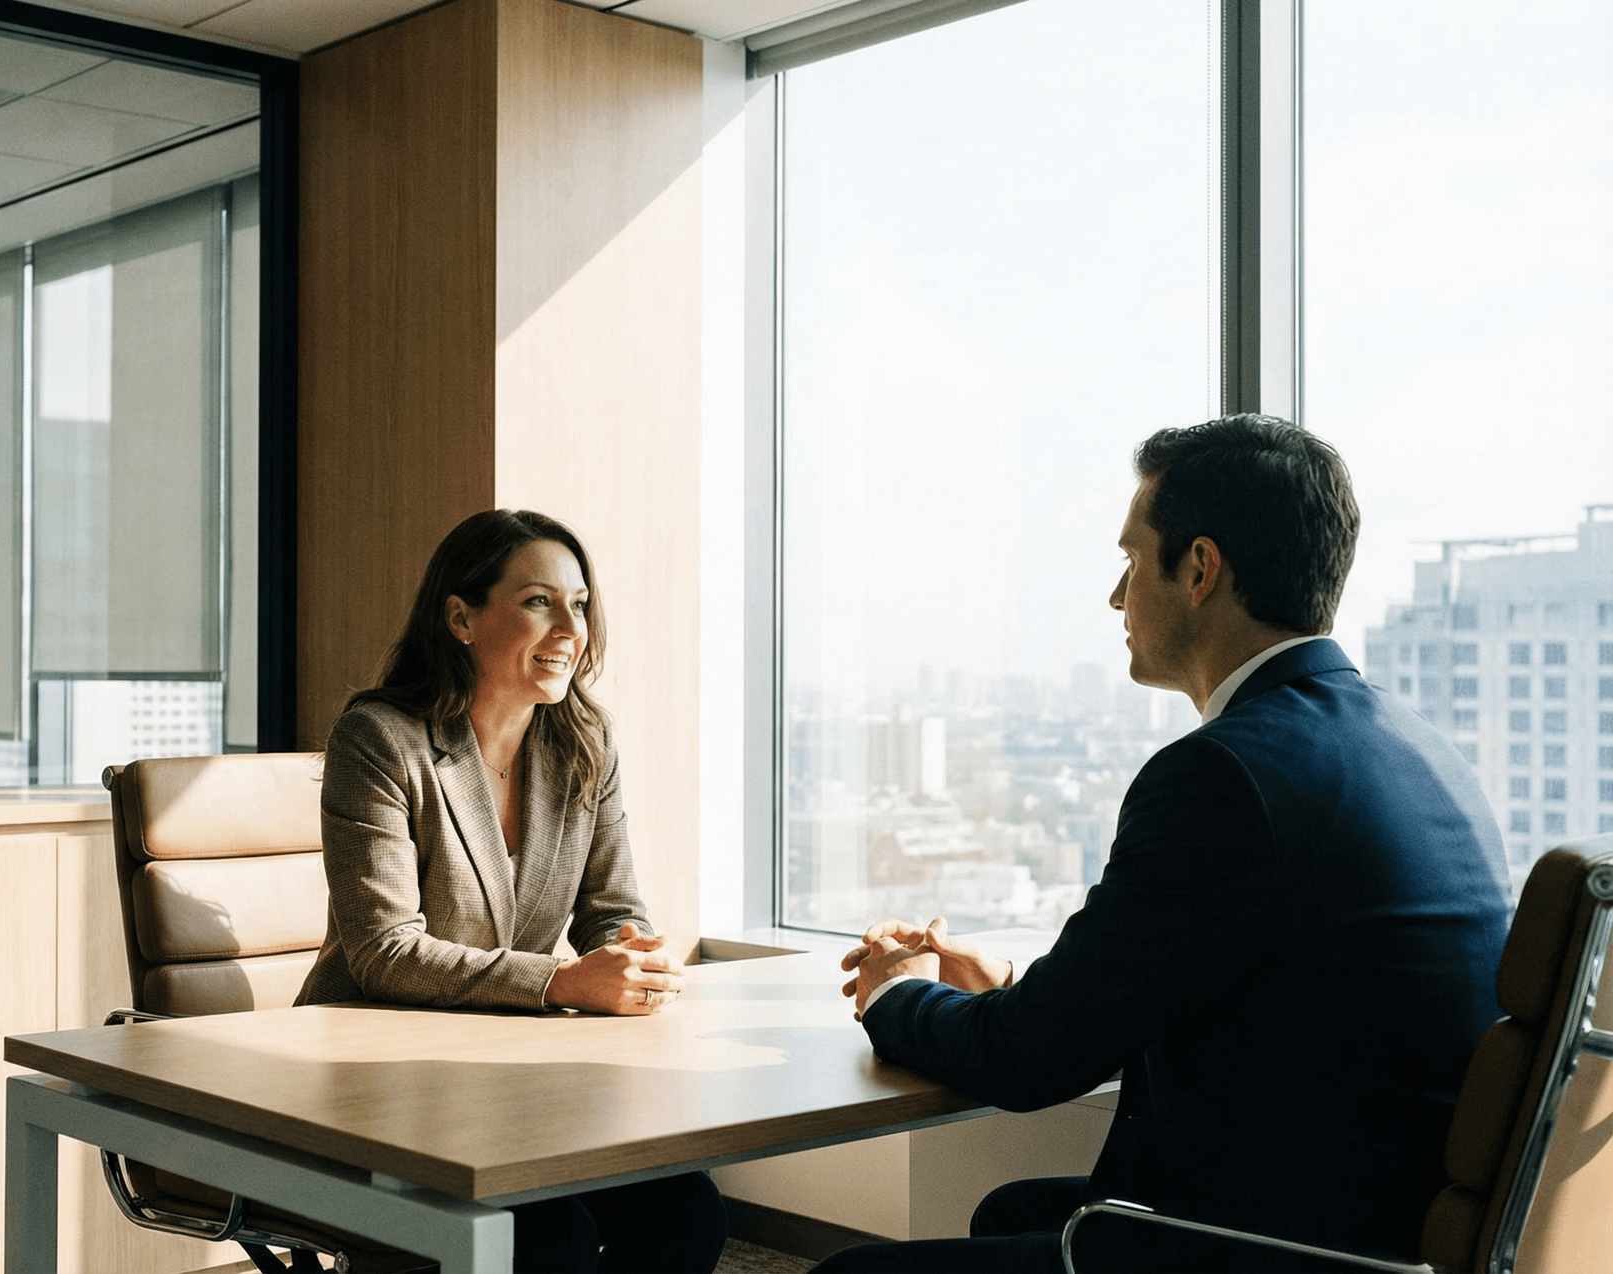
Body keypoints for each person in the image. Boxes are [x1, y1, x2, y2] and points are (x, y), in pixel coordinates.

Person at [826, 415, 1512, 1272]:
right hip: (1381, 1228)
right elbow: (1241, 986)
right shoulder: (1408, 744)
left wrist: (895, 993)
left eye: (1130, 560)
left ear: (1198, 569)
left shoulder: (1227, 774)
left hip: (1284, 1249)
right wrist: (1010, 988)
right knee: (1013, 1212)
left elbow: (1031, 1062)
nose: (1117, 598)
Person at [296, 508, 728, 1274]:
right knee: (547, 1237)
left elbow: (613, 908)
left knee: (683, 1207)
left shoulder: (581, 745)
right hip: (377, 1082)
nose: (571, 628)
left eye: (580, 604)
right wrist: (563, 980)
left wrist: (625, 957)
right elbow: (383, 952)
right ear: (460, 616)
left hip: (501, 1080)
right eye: (539, 602)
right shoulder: (381, 740)